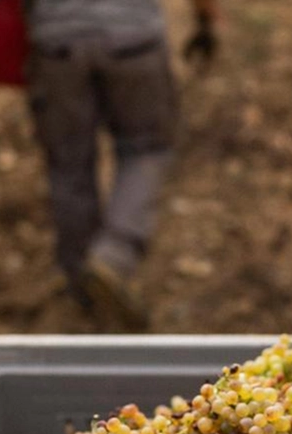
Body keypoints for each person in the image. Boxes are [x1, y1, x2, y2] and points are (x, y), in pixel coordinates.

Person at [26, 0, 218, 328]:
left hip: (58, 44)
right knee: (147, 149)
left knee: (69, 165)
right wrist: (204, 22)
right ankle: (113, 256)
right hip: (133, 40)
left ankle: (80, 286)